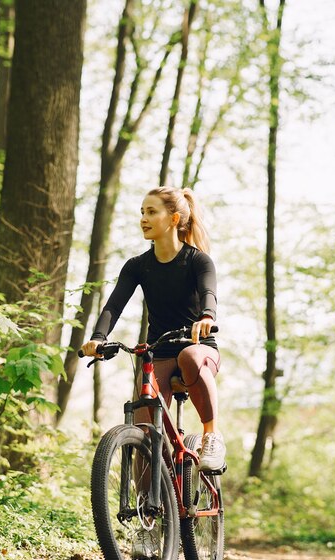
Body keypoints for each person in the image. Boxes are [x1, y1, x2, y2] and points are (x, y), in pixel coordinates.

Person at [81, 186, 226, 476]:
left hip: (199, 348)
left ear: (173, 219)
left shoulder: (198, 260)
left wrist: (207, 316)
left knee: (190, 357)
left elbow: (209, 293)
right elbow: (114, 306)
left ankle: (211, 436)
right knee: (145, 430)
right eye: (142, 212)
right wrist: (98, 338)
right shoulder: (138, 266)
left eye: (151, 212)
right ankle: (151, 509)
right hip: (158, 352)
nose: (144, 218)